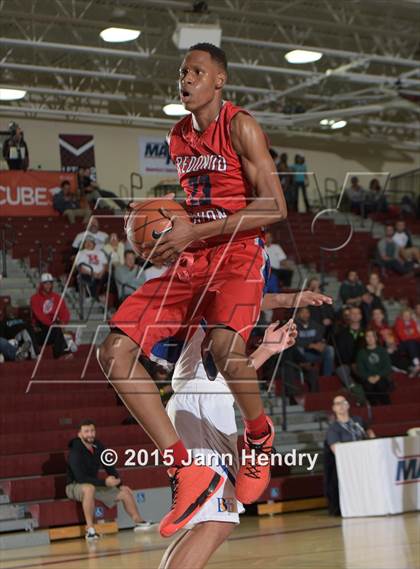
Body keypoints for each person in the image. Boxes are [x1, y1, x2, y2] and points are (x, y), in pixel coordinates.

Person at [97, 42, 288, 538]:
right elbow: (198, 202)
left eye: (196, 72)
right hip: (193, 258)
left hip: (240, 252)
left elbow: (276, 207)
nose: (185, 79)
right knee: (115, 352)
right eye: (182, 72)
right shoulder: (178, 134)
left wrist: (193, 231)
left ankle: (260, 437)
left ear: (219, 80)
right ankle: (185, 468)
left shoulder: (240, 125)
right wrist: (160, 227)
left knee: (226, 346)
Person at [160, 290, 329, 569]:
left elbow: (229, 374)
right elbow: (245, 298)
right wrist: (290, 299)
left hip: (205, 400)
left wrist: (266, 349)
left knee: (210, 518)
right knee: (217, 519)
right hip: (203, 403)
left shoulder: (223, 319)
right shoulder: (217, 292)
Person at [65, 419, 154, 540]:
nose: (90, 434)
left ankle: (139, 521)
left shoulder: (98, 446)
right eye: (86, 431)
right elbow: (80, 478)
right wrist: (104, 482)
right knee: (88, 489)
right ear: (80, 434)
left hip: (93, 484)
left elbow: (109, 466)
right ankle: (90, 530)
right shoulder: (75, 451)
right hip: (74, 486)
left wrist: (119, 484)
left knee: (124, 493)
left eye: (92, 431)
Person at [324, 394, 375, 516]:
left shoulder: (358, 421)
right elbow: (336, 449)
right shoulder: (333, 429)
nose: (340, 406)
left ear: (348, 405)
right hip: (349, 464)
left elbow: (370, 434)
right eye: (337, 404)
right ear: (334, 408)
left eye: (343, 403)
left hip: (365, 460)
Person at [30, 273, 71, 359]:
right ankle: (62, 353)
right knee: (56, 329)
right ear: (41, 284)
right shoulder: (34, 298)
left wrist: (63, 322)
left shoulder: (57, 297)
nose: (48, 285)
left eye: (50, 283)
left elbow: (64, 311)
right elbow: (40, 316)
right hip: (40, 329)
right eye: (46, 283)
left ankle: (63, 351)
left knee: (57, 329)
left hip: (54, 327)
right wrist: (53, 324)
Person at [356, 330, 392, 405]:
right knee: (368, 387)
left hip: (381, 377)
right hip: (368, 378)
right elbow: (360, 370)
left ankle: (387, 406)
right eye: (367, 336)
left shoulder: (382, 350)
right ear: (365, 338)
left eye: (372, 336)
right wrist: (368, 377)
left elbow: (387, 367)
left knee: (380, 384)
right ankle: (374, 406)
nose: (370, 338)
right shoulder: (361, 353)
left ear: (375, 338)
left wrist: (378, 376)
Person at [295, 307, 334, 376]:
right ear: (298, 314)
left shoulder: (314, 325)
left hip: (314, 353)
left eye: (307, 312)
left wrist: (321, 344)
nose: (305, 314)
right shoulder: (294, 326)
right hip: (301, 354)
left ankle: (327, 377)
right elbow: (296, 342)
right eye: (302, 312)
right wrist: (310, 345)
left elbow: (319, 338)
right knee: (298, 349)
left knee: (329, 349)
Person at [334, 307, 366, 390]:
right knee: (342, 370)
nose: (355, 315)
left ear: (361, 316)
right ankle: (354, 388)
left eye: (357, 313)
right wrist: (352, 364)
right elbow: (341, 354)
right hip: (348, 364)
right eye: (353, 313)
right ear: (349, 316)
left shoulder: (367, 332)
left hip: (364, 363)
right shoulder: (341, 334)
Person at [394, 308, 420, 376]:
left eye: (408, 315)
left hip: (413, 343)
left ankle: (415, 368)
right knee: (411, 343)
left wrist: (409, 335)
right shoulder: (398, 323)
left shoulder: (413, 322)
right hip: (402, 345)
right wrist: (411, 335)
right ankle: (416, 364)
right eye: (405, 315)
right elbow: (402, 337)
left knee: (413, 343)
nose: (406, 317)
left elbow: (418, 335)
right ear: (401, 316)